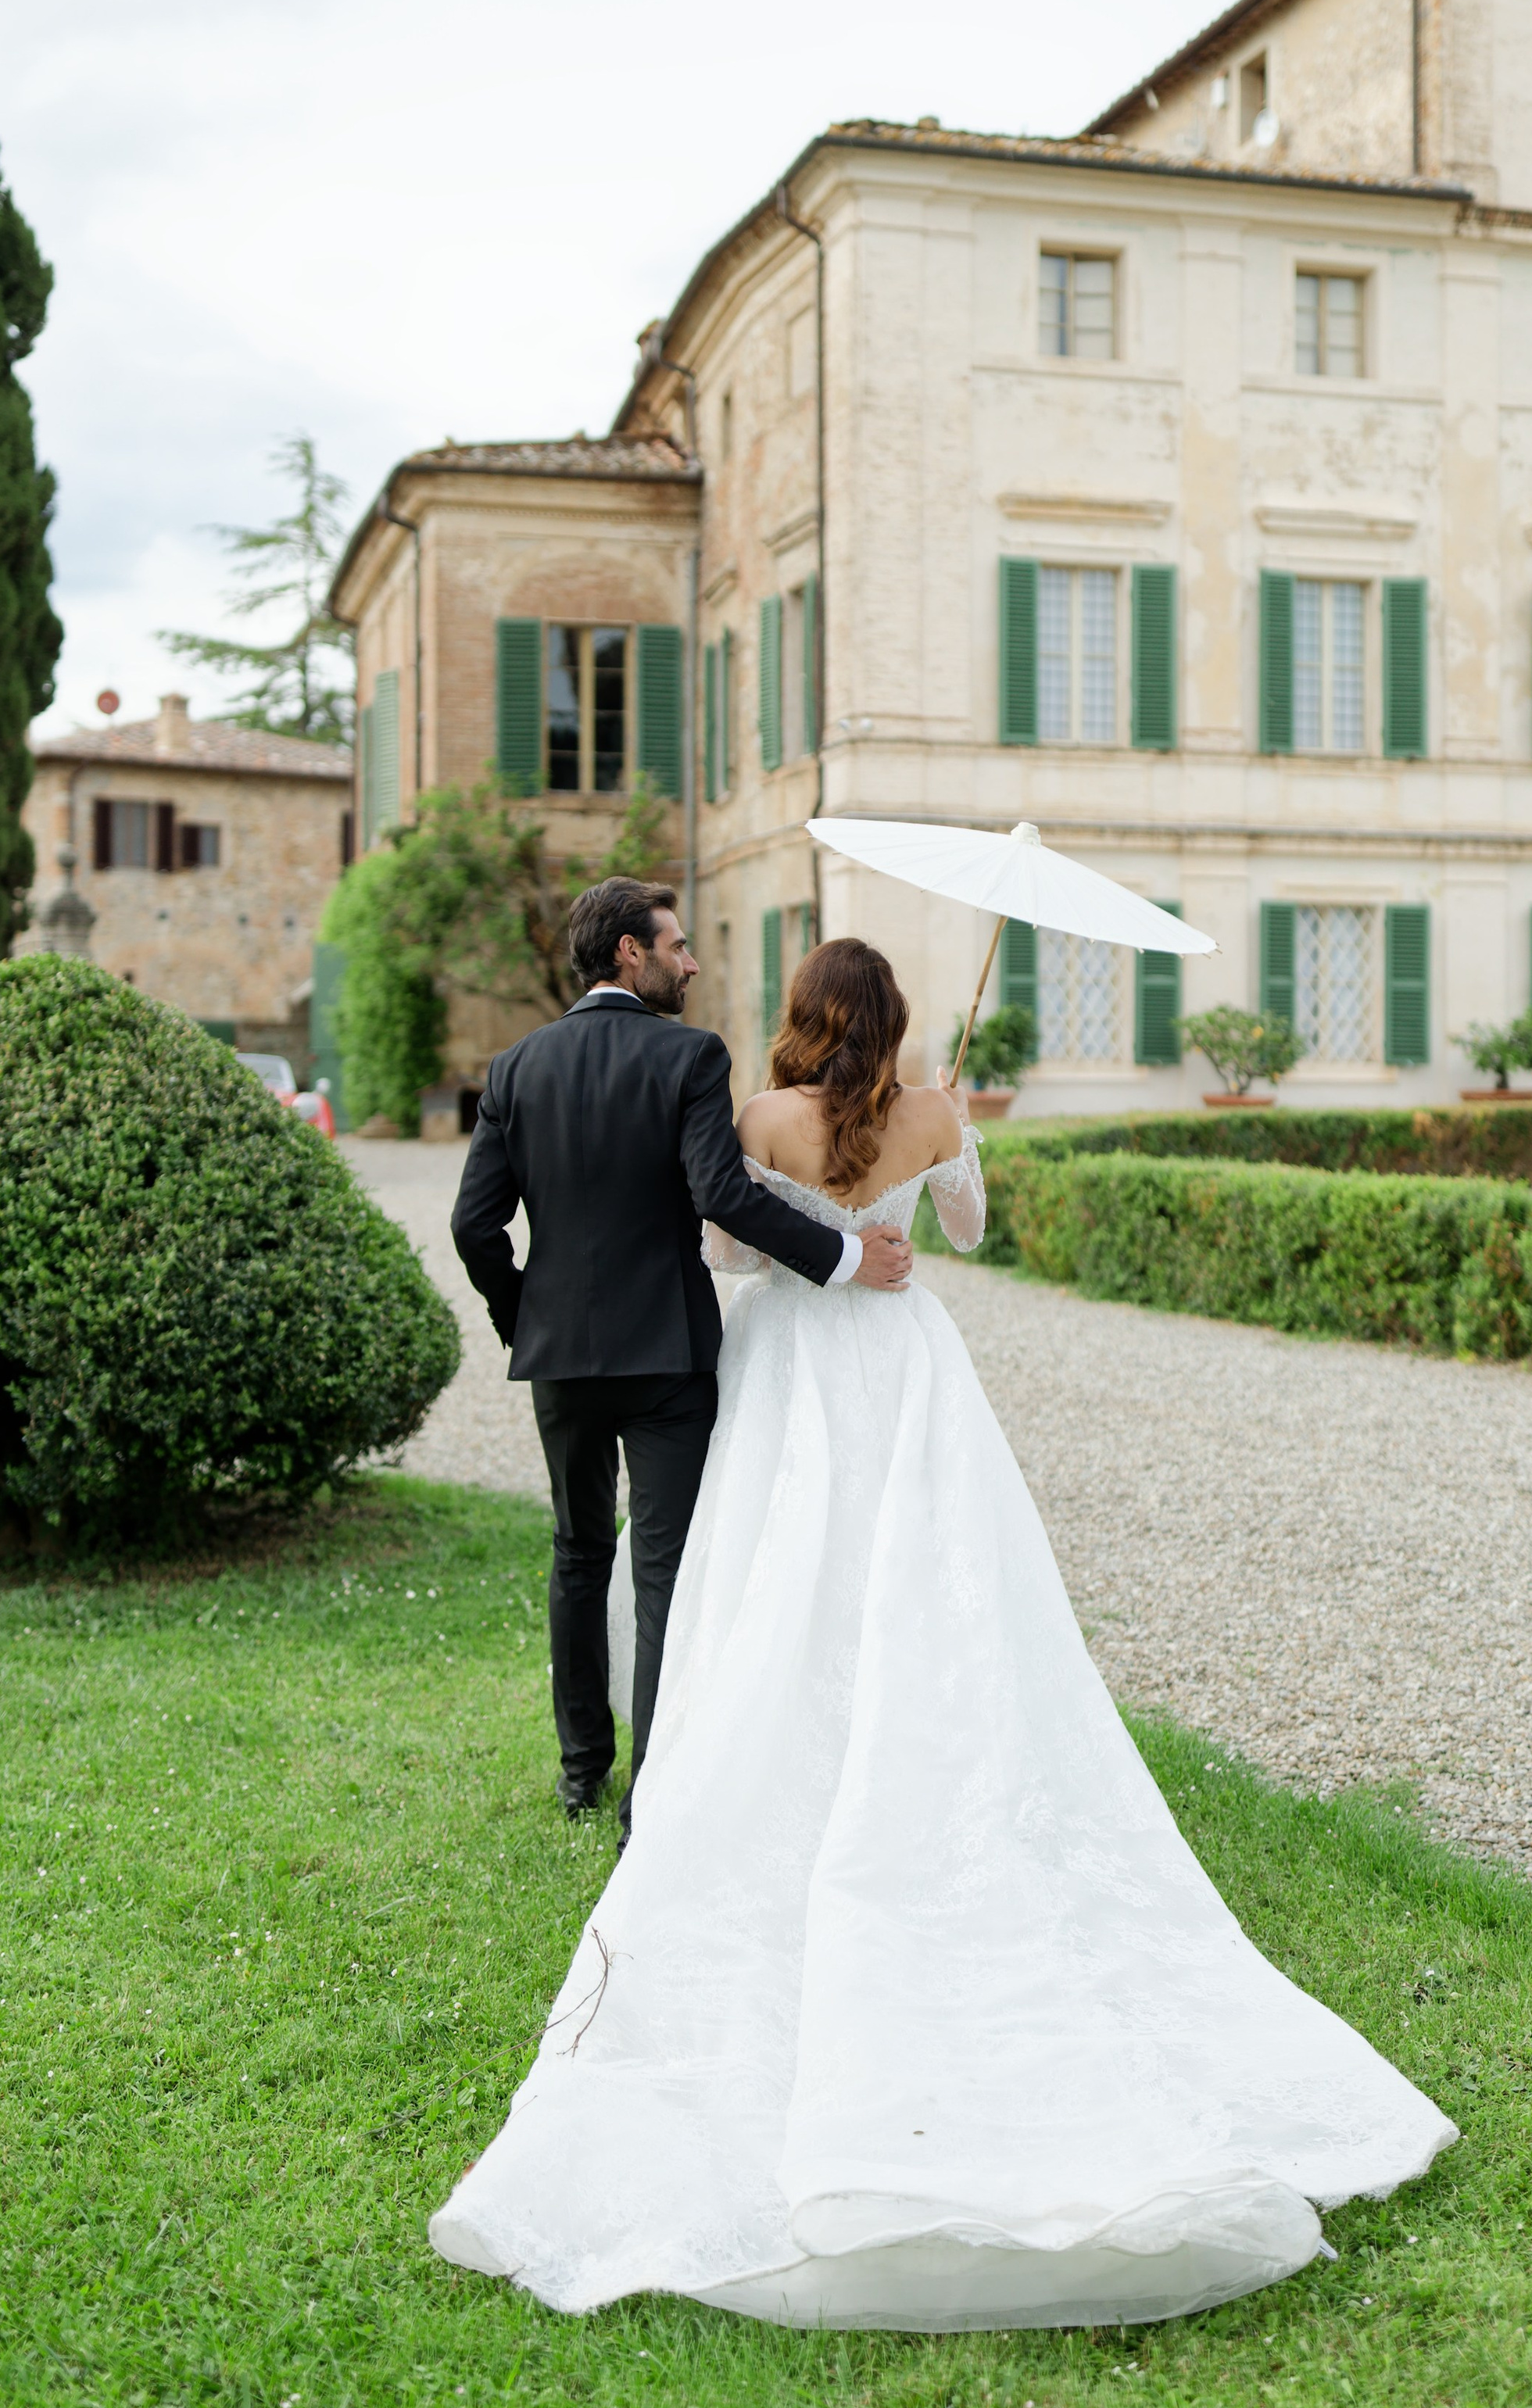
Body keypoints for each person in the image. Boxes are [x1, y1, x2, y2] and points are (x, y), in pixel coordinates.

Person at [432, 936, 1456, 2331]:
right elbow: (965, 1234)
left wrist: (824, 1233)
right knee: (932, 1575)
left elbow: (727, 1238)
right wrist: (948, 1129)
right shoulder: (928, 1109)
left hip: (789, 1359)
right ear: (899, 1019)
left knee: (763, 1570)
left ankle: (710, 1750)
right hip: (907, 1368)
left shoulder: (761, 1115)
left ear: (800, 1018)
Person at [449, 878, 914, 1840]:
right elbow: (721, 1194)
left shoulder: (514, 1066)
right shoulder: (690, 1056)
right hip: (666, 1354)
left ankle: (581, 1771)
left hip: (561, 1358)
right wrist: (842, 1255)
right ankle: (647, 1796)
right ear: (630, 950)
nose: (692, 962)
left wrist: (520, 1314)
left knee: (578, 1552)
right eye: (679, 945)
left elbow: (473, 1225)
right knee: (664, 1568)